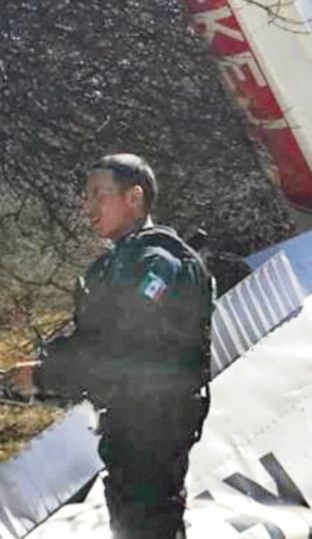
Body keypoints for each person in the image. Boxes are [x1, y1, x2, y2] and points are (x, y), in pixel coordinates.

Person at [5, 154, 215, 539]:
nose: (87, 206)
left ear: (134, 197)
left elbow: (123, 346)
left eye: (98, 195)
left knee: (148, 524)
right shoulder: (110, 268)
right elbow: (91, 341)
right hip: (125, 424)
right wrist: (38, 372)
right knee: (131, 521)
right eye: (85, 197)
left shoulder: (162, 263)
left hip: (156, 424)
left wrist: (43, 376)